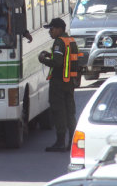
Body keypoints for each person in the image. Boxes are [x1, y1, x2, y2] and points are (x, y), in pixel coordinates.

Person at [38, 18, 79, 152]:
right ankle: (72, 142)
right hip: (70, 83)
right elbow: (66, 58)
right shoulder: (70, 41)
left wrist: (44, 60)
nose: (50, 32)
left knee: (58, 111)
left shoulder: (59, 42)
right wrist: (51, 55)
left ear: (59, 29)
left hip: (59, 83)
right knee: (70, 112)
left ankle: (60, 142)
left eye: (52, 29)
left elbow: (57, 63)